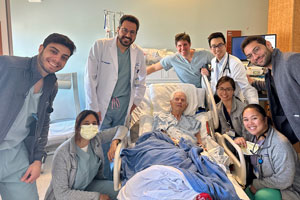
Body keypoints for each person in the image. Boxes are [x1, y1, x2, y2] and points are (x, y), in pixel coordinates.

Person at [0, 33, 76, 200]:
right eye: (53, 51)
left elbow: (43, 122)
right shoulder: (7, 66)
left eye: (64, 57)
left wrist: (37, 160)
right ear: (41, 48)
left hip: (17, 156)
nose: (57, 60)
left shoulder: (51, 84)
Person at [45, 110, 128, 200]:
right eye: (86, 123)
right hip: (68, 196)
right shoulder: (62, 153)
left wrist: (114, 142)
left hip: (89, 185)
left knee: (123, 191)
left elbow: (122, 128)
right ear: (78, 126)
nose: (90, 127)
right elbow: (62, 195)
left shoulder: (96, 139)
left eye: (94, 123)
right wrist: (97, 197)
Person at [84, 14, 146, 130]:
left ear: (136, 34)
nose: (128, 35)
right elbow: (89, 79)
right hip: (101, 105)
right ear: (118, 29)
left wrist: (135, 103)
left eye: (132, 32)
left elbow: (142, 81)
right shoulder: (100, 46)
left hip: (123, 107)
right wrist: (93, 108)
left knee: (117, 141)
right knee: (99, 139)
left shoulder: (138, 53)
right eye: (125, 30)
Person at [241, 35, 299, 143]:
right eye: (250, 56)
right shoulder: (271, 72)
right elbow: (276, 84)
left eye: (256, 50)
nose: (255, 57)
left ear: (268, 45)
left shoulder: (290, 61)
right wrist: (254, 83)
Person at [234, 104, 300, 200]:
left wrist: (257, 184)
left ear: (265, 119)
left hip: (289, 189)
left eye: (254, 118)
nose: (250, 123)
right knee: (243, 195)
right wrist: (237, 142)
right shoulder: (253, 137)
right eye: (246, 119)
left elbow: (284, 180)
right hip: (265, 183)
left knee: (262, 196)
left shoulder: (280, 144)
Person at [201, 32, 258, 104]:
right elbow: (214, 83)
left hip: (233, 102)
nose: (217, 49)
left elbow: (246, 88)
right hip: (218, 101)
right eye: (214, 46)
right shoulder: (213, 62)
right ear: (210, 49)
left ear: (225, 45)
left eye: (220, 45)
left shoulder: (235, 63)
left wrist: (254, 107)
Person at [147, 32, 214, 88]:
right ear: (176, 47)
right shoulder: (173, 58)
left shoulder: (204, 54)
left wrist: (209, 71)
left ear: (190, 44)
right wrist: (138, 75)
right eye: (179, 45)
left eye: (185, 45)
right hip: (189, 90)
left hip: (207, 88)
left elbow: (219, 62)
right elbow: (154, 67)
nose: (183, 48)